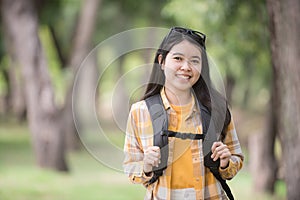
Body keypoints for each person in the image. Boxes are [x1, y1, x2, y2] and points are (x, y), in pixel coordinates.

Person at [123, 27, 244, 200]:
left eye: (195, 61)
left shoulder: (217, 108)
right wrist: (147, 165)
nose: (186, 67)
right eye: (178, 58)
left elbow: (236, 157)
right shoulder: (140, 112)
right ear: (162, 61)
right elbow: (130, 167)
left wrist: (226, 162)